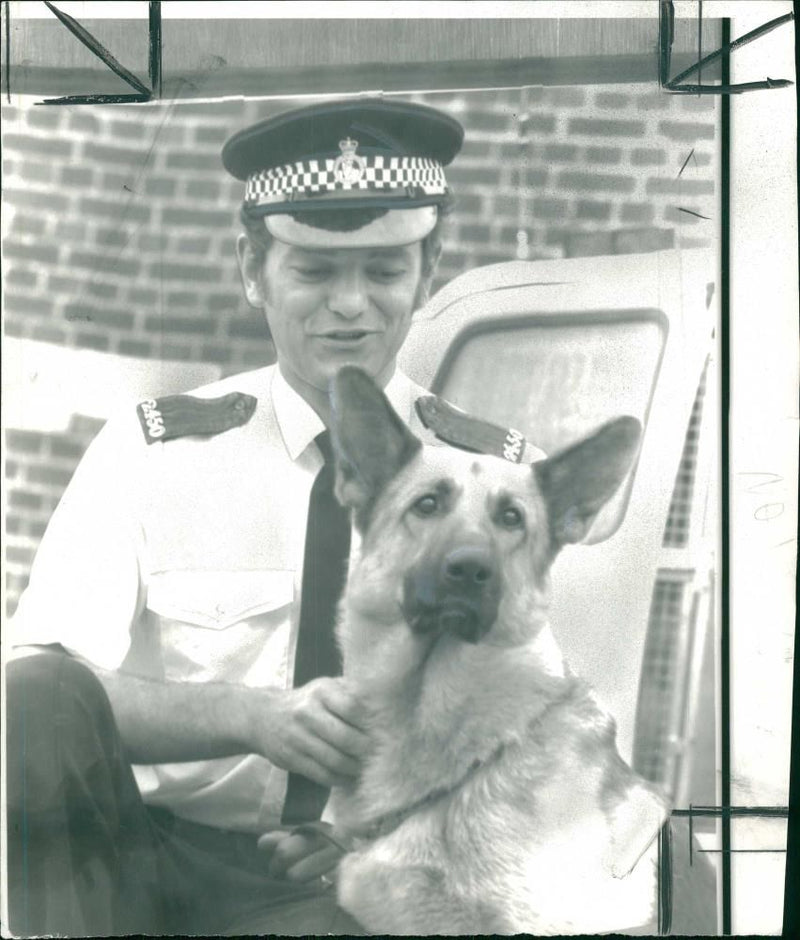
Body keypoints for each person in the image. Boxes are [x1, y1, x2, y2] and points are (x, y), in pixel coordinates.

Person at [4, 97, 489, 937]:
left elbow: (529, 743)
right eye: (313, 271)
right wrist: (251, 717)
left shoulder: (487, 487)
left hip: (317, 884)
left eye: (382, 270)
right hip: (125, 854)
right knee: (33, 688)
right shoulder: (149, 454)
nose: (349, 306)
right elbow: (44, 704)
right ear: (252, 269)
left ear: (430, 269)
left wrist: (381, 838)